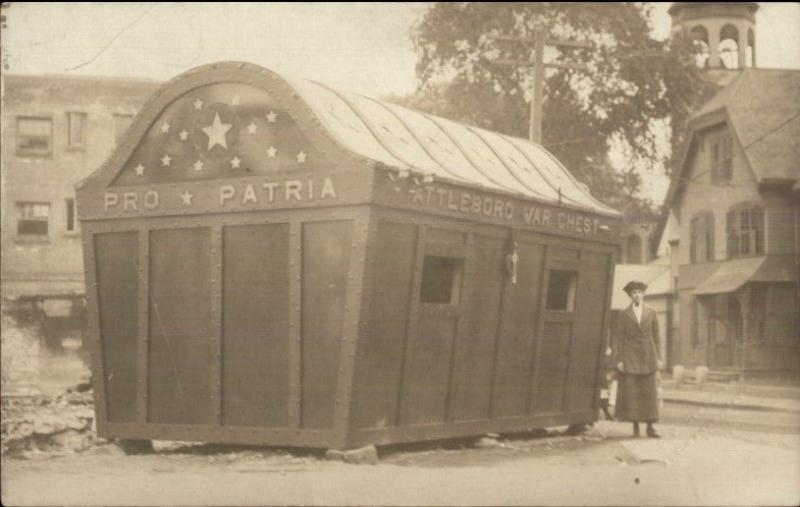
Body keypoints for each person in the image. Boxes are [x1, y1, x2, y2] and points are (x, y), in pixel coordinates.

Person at [611, 280, 662, 438]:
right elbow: (618, 338)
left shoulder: (652, 312)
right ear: (630, 296)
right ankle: (635, 427)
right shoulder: (623, 314)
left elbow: (657, 337)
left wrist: (658, 357)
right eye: (634, 293)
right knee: (632, 393)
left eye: (639, 292)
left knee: (649, 393)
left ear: (643, 294)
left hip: (649, 356)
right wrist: (619, 359)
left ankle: (650, 427)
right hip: (630, 357)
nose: (637, 295)